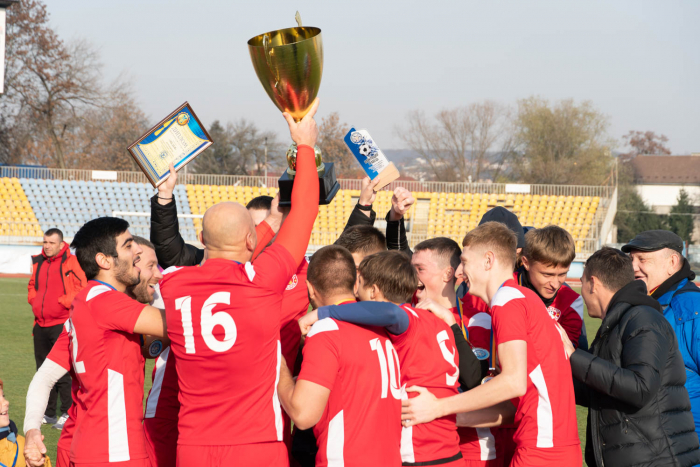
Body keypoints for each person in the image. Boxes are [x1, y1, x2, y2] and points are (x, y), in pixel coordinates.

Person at [158, 99, 319, 466]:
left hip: (194, 449)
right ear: (252, 241)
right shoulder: (262, 282)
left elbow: (174, 253)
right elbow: (306, 208)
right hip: (258, 447)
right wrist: (304, 143)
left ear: (201, 238)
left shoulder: (174, 286)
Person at [402, 221, 581, 467]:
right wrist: (443, 416)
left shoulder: (507, 301)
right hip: (549, 446)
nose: (459, 272)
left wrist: (438, 407)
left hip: (542, 449)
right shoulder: (521, 297)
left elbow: (512, 382)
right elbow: (511, 404)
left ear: (488, 261)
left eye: (464, 261)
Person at [299, 250, 465, 466]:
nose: (356, 294)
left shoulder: (406, 320)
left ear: (374, 292)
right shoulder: (437, 322)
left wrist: (324, 312)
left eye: (360, 285)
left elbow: (392, 313)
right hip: (450, 447)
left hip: (418, 448)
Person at [23, 237, 164, 467]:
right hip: (110, 448)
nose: (157, 275)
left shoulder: (88, 311)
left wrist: (31, 429)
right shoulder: (105, 303)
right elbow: (179, 323)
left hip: (79, 442)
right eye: (149, 266)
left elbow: (44, 376)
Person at [560, 247, 700, 467]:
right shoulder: (618, 322)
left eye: (583, 283)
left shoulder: (642, 318)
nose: (582, 294)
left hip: (654, 460)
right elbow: (603, 391)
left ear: (593, 283)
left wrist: (574, 357)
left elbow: (640, 387)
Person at [277, 245, 402, 466]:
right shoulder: (381, 328)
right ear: (355, 284)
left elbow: (303, 414)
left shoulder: (327, 330)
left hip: (347, 459)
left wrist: (279, 365)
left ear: (310, 288)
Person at [622, 230, 700, 442]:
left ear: (672, 262)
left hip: (685, 450)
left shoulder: (693, 308)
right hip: (652, 447)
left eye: (642, 259)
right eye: (631, 260)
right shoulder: (642, 304)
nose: (633, 267)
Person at [27, 228, 86, 428]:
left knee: (61, 372)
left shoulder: (72, 262)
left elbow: (83, 287)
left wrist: (63, 302)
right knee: (42, 370)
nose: (47, 246)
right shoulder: (38, 261)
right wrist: (33, 300)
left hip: (62, 323)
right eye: (45, 242)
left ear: (61, 244)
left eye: (52, 243)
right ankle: (49, 413)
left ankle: (67, 413)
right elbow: (32, 285)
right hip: (40, 323)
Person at [519, 225, 584, 348]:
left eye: (562, 274)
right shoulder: (504, 287)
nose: (555, 284)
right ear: (526, 262)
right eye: (547, 274)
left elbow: (566, 350)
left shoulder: (571, 301)